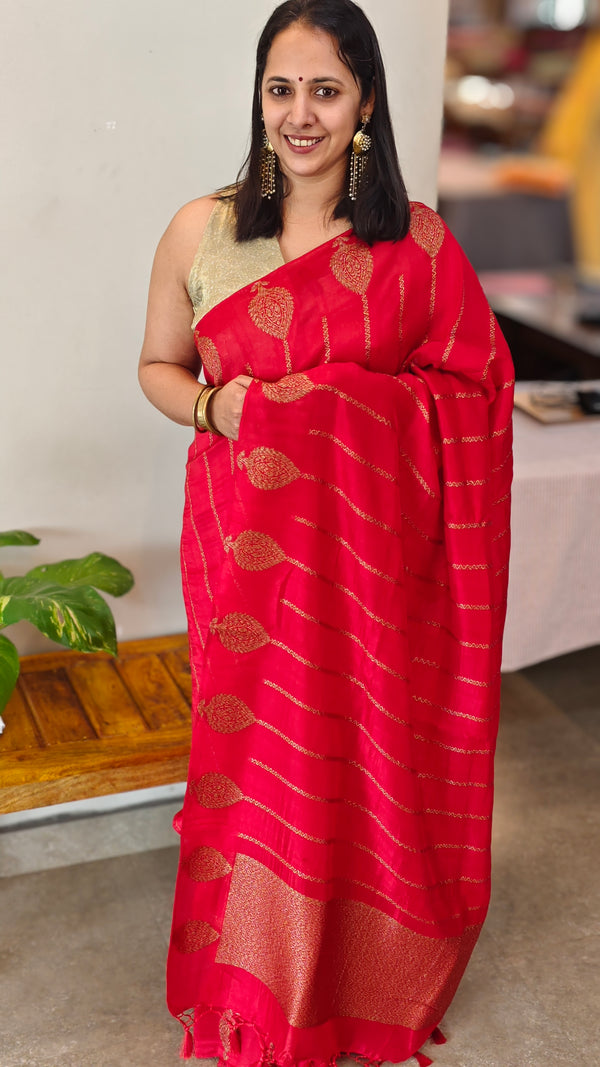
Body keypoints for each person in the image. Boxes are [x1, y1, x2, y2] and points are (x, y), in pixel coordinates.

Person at [138, 2, 514, 1064]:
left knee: (354, 760)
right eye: (280, 87)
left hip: (369, 570)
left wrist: (347, 402)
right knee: (258, 766)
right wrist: (227, 408)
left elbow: (475, 390)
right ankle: (250, 985)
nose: (299, 114)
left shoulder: (417, 242)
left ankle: (355, 980)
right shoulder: (201, 229)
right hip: (244, 547)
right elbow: (160, 368)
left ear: (365, 104)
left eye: (325, 89)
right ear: (258, 97)